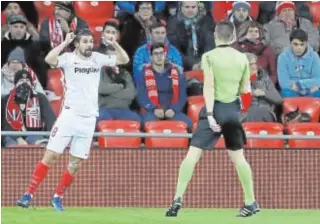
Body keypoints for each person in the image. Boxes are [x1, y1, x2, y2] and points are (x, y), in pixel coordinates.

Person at [16, 29, 130, 211]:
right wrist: (64, 43)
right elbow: (49, 60)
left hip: (89, 118)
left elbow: (124, 60)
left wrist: (114, 43)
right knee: (51, 156)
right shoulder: (68, 58)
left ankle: (57, 197)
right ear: (76, 44)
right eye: (84, 41)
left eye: (90, 41)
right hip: (69, 115)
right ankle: (28, 194)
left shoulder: (97, 58)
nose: (89, 45)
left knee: (75, 163)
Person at [165, 21, 259, 217]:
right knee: (238, 158)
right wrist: (237, 113)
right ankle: (251, 202)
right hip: (232, 110)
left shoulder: (208, 56)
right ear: (233, 37)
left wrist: (209, 114)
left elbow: (208, 86)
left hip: (213, 108)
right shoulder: (242, 58)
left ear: (216, 36)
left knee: (192, 155)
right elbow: (246, 91)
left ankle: (177, 199)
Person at [137, 43, 192, 129]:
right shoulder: (143, 73)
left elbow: (182, 96)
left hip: (172, 111)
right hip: (151, 111)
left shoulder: (176, 72)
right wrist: (154, 109)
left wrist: (174, 109)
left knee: (188, 124)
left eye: (161, 53)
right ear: (151, 57)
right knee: (146, 124)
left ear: (165, 55)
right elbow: (141, 96)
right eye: (156, 54)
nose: (159, 56)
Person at [1, 69, 56, 147]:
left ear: (31, 83)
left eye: (27, 80)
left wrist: (52, 137)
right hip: (11, 135)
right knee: (13, 147)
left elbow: (50, 118)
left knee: (42, 145)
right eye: (21, 80)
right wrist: (18, 138)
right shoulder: (5, 100)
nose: (24, 82)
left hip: (35, 134)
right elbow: (4, 124)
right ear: (15, 84)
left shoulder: (40, 98)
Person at [277, 29, 320, 97]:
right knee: (286, 93)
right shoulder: (282, 57)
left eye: (302, 44)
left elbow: (318, 79)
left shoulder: (314, 56)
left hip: (311, 91)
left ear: (306, 44)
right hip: (292, 91)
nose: (299, 48)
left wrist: (299, 84)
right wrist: (307, 85)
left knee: (318, 94)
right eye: (295, 44)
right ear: (290, 43)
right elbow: (284, 83)